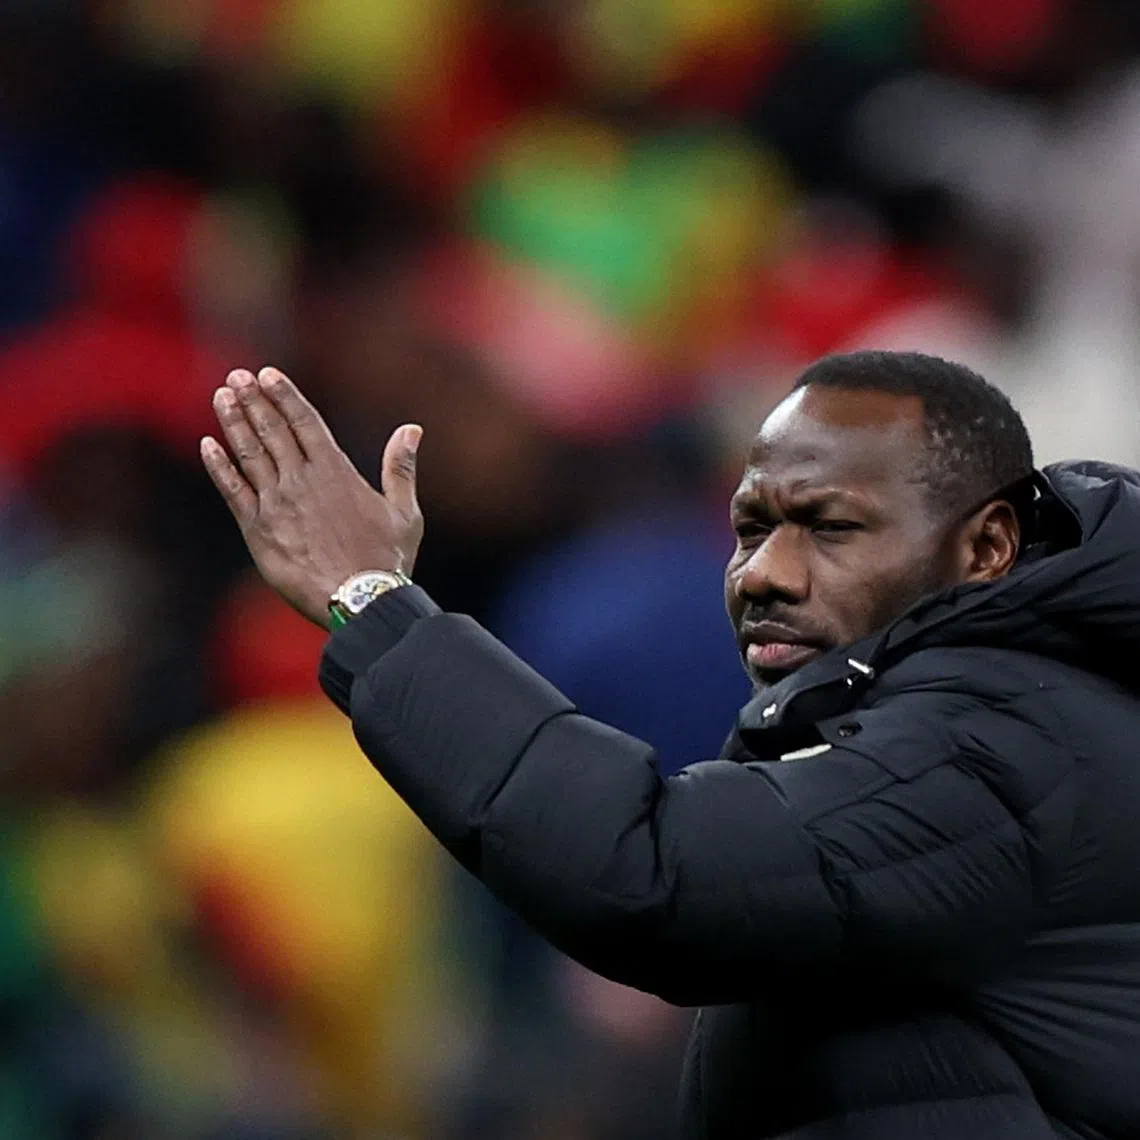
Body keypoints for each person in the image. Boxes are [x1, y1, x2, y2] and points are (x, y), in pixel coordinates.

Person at [201, 350, 1140, 1140]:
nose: (763, 573)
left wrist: (373, 603)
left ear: (987, 549)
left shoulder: (996, 741)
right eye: (751, 528)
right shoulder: (1006, 715)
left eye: (832, 527)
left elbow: (652, 874)